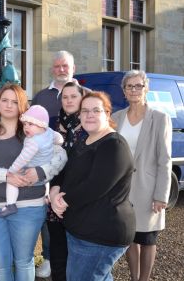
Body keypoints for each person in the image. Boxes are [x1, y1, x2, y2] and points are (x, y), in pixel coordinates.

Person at [0, 84, 67, 281]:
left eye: (15, 101)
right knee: (0, 262)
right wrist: (6, 176)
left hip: (29, 206)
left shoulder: (35, 130)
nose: (8, 105)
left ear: (23, 105)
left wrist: (40, 172)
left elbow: (61, 156)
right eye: (4, 100)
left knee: (23, 260)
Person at [50, 91, 136, 281]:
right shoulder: (85, 140)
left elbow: (95, 186)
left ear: (107, 114)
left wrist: (61, 201)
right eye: (85, 110)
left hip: (99, 234)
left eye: (96, 110)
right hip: (82, 230)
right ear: (79, 116)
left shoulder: (114, 145)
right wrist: (54, 189)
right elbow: (65, 169)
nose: (89, 115)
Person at [112, 70, 172, 281]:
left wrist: (161, 195)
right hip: (122, 188)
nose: (134, 90)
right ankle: (134, 277)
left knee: (147, 238)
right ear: (124, 91)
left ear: (146, 89)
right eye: (130, 86)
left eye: (139, 86)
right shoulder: (116, 118)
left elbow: (165, 160)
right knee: (130, 237)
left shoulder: (159, 119)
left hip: (148, 188)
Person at [31, 50, 76, 278]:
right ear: (52, 69)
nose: (61, 69)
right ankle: (49, 257)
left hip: (75, 164)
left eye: (65, 66)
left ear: (73, 68)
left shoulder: (84, 94)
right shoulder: (41, 97)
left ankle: (72, 257)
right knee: (49, 212)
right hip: (46, 165)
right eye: (57, 66)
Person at [47, 81, 87, 281]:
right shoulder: (52, 123)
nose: (69, 100)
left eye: (74, 96)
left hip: (79, 196)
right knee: (57, 251)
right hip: (54, 192)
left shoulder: (89, 124)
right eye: (65, 97)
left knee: (80, 253)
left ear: (82, 99)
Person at [0, 105, 63, 217]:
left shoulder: (32, 141)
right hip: (44, 171)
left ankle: (11, 205)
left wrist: (12, 170)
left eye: (31, 124)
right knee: (46, 179)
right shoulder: (49, 132)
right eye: (25, 124)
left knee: (12, 182)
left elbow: (23, 158)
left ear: (41, 125)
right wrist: (56, 145)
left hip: (30, 171)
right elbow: (59, 138)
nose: (26, 128)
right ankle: (46, 195)